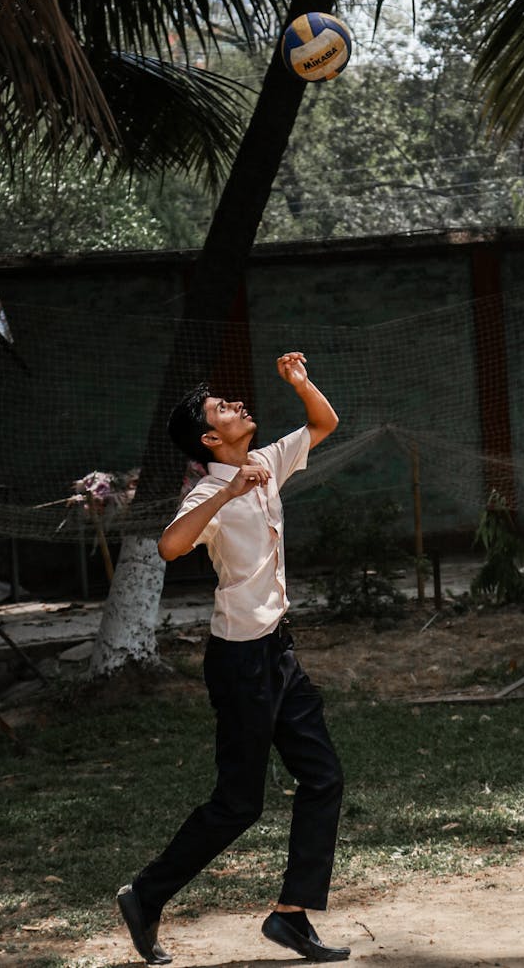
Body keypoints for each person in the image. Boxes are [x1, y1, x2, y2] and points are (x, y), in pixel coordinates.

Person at [117, 352, 349, 965]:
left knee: (323, 777)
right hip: (240, 662)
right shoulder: (209, 488)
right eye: (223, 407)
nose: (238, 404)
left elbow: (323, 424)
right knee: (239, 804)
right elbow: (170, 548)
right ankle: (145, 894)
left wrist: (301, 384)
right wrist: (224, 496)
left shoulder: (265, 461)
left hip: (278, 652)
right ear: (209, 437)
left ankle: (291, 917)